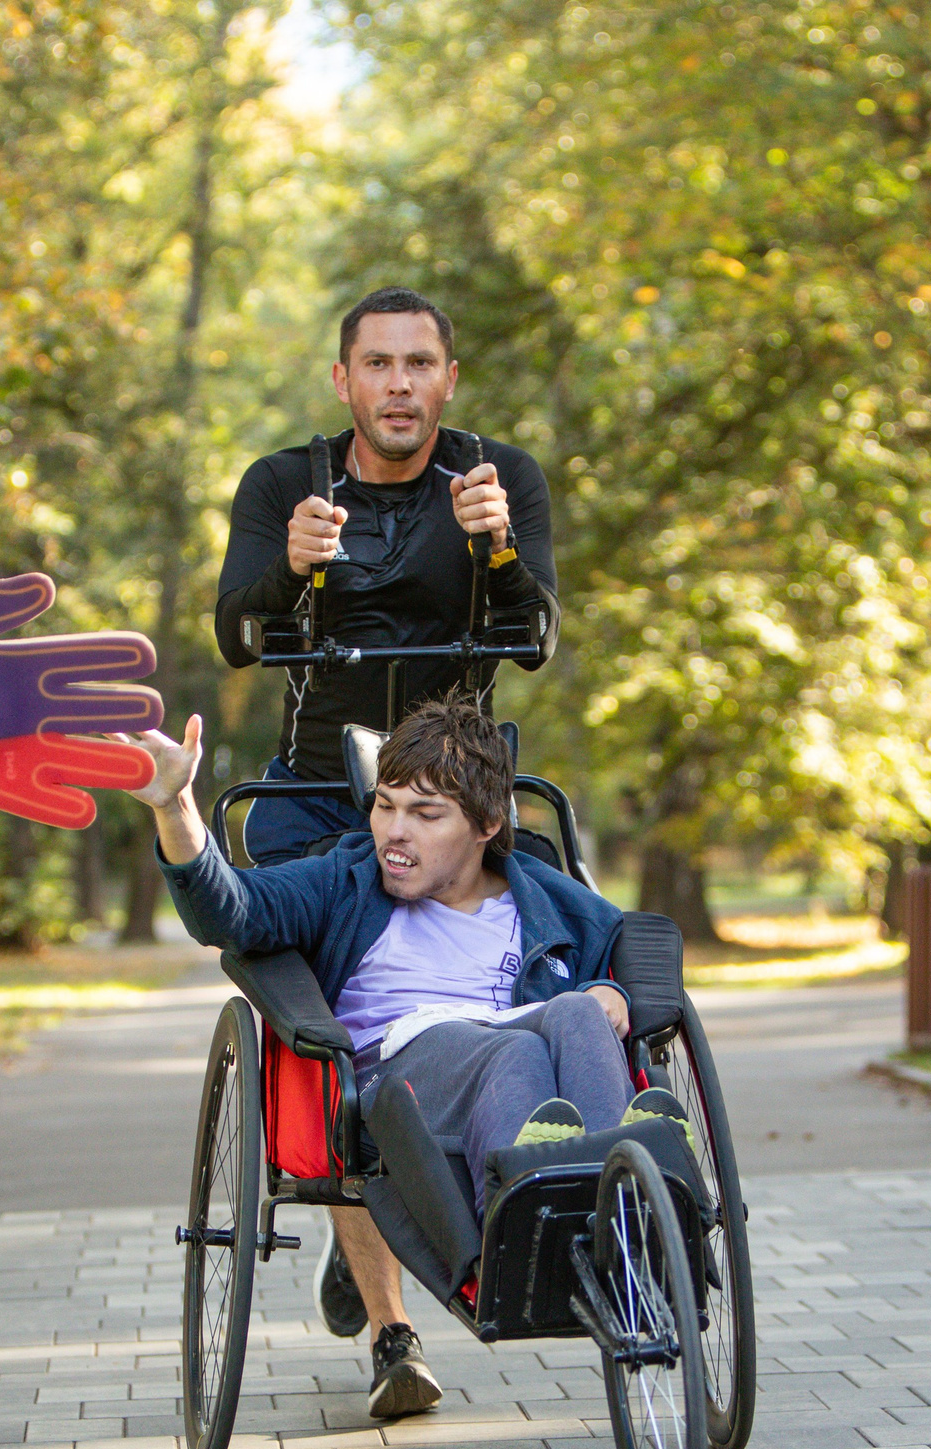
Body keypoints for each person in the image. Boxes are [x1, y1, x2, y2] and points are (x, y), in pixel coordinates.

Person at [117, 696, 679, 1419]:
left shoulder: (545, 899)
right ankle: (532, 1210)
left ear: (486, 826)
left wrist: (613, 991)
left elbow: (636, 949)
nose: (395, 832)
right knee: (509, 1051)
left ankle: (628, 1204)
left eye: (426, 813)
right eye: (385, 806)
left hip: (520, 1061)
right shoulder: (345, 882)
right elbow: (231, 909)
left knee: (577, 1009)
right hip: (404, 1078)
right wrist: (175, 808)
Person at [214, 286, 560, 1344]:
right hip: (316, 799)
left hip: (459, 803)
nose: (399, 385)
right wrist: (293, 566)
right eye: (378, 365)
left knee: (551, 948)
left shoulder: (500, 480)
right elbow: (237, 634)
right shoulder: (285, 483)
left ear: (448, 380)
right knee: (335, 1023)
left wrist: (498, 551)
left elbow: (535, 637)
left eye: (419, 365)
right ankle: (390, 1325)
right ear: (344, 380)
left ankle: (539, 1166)